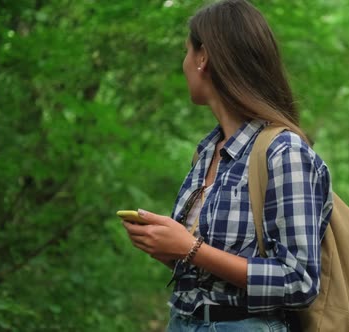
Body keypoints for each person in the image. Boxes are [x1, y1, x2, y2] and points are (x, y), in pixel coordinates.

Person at [122, 0, 333, 330]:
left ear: (203, 57)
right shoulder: (207, 151)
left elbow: (299, 281)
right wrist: (168, 248)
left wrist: (190, 248)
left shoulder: (283, 152)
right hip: (183, 322)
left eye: (186, 52)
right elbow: (210, 275)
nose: (184, 63)